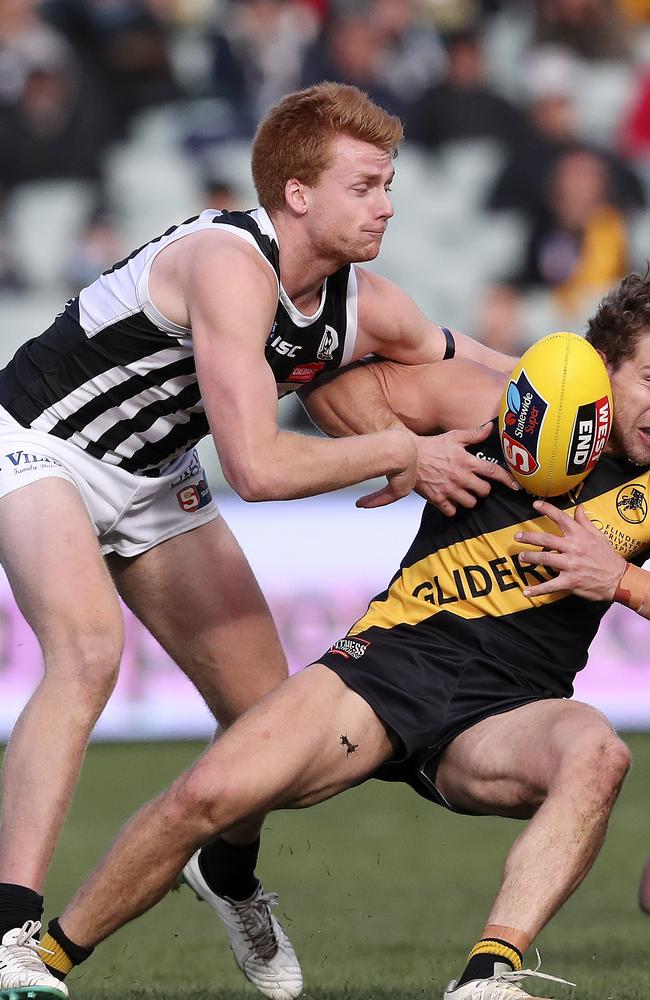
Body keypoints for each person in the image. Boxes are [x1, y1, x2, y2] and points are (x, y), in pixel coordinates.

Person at [0, 80, 518, 1000]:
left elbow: (504, 378)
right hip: (38, 442)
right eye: (364, 184)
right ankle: (7, 933)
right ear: (297, 194)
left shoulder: (363, 301)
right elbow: (257, 469)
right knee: (86, 652)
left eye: (390, 183)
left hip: (155, 480)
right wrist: (404, 448)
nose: (388, 203)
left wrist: (608, 396)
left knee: (267, 723)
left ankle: (227, 876)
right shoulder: (226, 262)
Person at [33, 269, 650, 1000]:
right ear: (604, 363)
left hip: (511, 711)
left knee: (599, 755)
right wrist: (411, 455)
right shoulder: (497, 399)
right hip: (390, 662)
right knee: (204, 797)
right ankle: (40, 963)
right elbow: (331, 384)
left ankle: (487, 979)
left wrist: (620, 580)